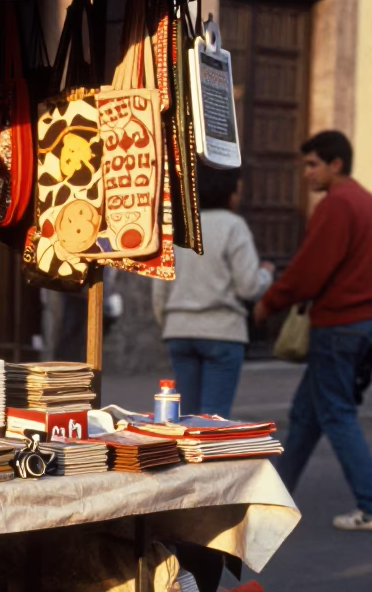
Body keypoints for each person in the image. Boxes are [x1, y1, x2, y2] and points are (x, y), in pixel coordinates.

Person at [252, 131, 372, 531]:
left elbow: (310, 268)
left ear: (335, 164)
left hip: (337, 325)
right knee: (306, 415)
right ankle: (275, 500)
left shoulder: (337, 204)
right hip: (359, 325)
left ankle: (369, 504)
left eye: (312, 164)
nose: (306, 173)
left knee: (336, 413)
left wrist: (272, 301)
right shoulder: (364, 201)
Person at [152, 167, 274, 417]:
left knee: (185, 417)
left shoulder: (178, 226)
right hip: (223, 331)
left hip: (179, 331)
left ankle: (184, 457)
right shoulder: (233, 226)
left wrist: (170, 324)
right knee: (213, 419)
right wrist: (267, 274)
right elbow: (248, 286)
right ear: (230, 193)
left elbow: (159, 289)